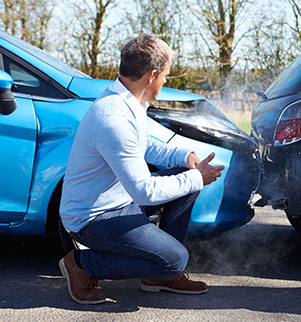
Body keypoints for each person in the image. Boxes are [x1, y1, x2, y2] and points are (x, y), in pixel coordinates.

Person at [58, 34, 224, 304]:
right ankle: (82, 264)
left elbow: (145, 145)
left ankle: (157, 274)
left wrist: (186, 157)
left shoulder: (127, 101)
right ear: (152, 75)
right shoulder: (112, 117)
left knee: (184, 182)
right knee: (175, 258)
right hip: (93, 219)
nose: (166, 81)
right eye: (166, 76)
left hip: (120, 201)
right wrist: (196, 178)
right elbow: (145, 191)